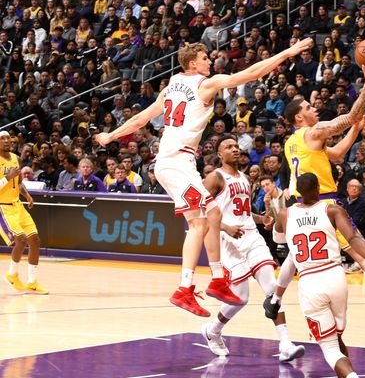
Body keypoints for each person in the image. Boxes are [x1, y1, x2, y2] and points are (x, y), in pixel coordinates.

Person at [95, 38, 315, 317]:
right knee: (199, 223)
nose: (210, 61)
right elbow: (250, 74)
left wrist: (111, 135)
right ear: (192, 63)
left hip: (176, 162)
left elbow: (142, 118)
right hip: (176, 161)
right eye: (205, 58)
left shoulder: (171, 86)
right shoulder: (204, 84)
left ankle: (218, 279)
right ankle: (184, 289)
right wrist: (288, 51)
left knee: (211, 213)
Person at [276, 58, 365, 332]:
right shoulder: (314, 131)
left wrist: (354, 130)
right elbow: (351, 116)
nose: (313, 108)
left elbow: (337, 154)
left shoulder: (291, 143)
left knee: (296, 254)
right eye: (308, 107)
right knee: (362, 255)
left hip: (298, 208)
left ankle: (274, 298)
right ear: (299, 118)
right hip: (324, 204)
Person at [275, 173, 365, 378]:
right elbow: (355, 238)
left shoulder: (285, 214)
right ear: (319, 189)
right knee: (336, 337)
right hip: (335, 276)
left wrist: (276, 295)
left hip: (310, 280)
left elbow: (278, 237)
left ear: (298, 193)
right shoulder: (332, 209)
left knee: (330, 348)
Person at [199, 135, 305, 361]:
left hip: (252, 237)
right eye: (229, 147)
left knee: (272, 289)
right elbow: (199, 212)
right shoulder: (215, 178)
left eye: (236, 146)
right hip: (227, 242)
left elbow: (244, 213)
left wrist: (261, 219)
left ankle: (285, 343)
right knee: (240, 298)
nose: (235, 149)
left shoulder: (245, 178)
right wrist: (225, 227)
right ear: (220, 154)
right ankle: (213, 330)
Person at [1, 131, 46, 294]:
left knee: (35, 240)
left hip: (18, 205)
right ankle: (12, 274)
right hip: (3, 207)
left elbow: (18, 182)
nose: (7, 141)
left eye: (8, 138)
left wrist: (27, 195)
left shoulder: (15, 158)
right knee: (20, 239)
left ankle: (32, 282)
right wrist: (6, 178)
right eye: (2, 139)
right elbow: (9, 180)